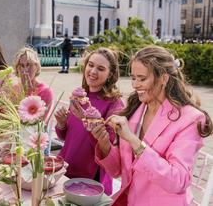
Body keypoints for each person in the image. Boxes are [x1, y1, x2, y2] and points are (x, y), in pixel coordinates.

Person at [91, 45, 213, 206]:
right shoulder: (136, 109)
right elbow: (117, 170)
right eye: (133, 78)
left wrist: (133, 140)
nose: (135, 85)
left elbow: (178, 180)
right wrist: (105, 144)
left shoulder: (190, 119)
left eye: (142, 79)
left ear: (163, 78)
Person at [55, 47, 124, 195]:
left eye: (100, 68)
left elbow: (107, 148)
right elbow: (68, 137)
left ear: (110, 74)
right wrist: (61, 124)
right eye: (90, 65)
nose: (93, 72)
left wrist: (85, 119)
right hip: (65, 170)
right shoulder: (80, 96)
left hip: (90, 181)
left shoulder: (115, 105)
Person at [13, 47, 54, 116]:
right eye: (22, 66)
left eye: (29, 65)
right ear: (17, 69)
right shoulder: (14, 89)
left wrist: (28, 93)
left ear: (36, 67)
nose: (25, 70)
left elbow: (39, 122)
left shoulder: (45, 91)